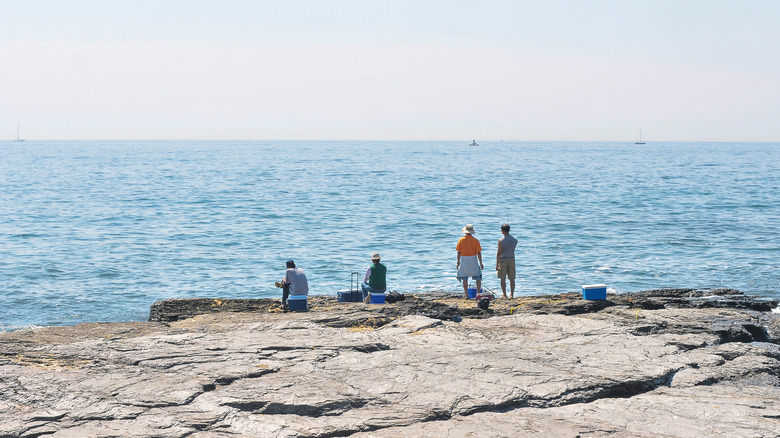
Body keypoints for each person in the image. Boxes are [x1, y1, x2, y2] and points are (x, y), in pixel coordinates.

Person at [456, 224, 483, 298]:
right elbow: (479, 253)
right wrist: (481, 263)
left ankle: (467, 295)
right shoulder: (475, 240)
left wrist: (458, 262)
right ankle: (478, 293)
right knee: (478, 276)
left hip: (464, 259)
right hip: (473, 259)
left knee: (465, 278)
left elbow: (458, 252)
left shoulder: (461, 240)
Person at [496, 224, 518, 299]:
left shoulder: (501, 240)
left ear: (502, 231)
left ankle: (504, 294)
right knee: (512, 278)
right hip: (512, 259)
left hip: (503, 260)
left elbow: (499, 253)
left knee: (503, 278)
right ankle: (511, 294)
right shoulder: (514, 240)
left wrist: (497, 264)